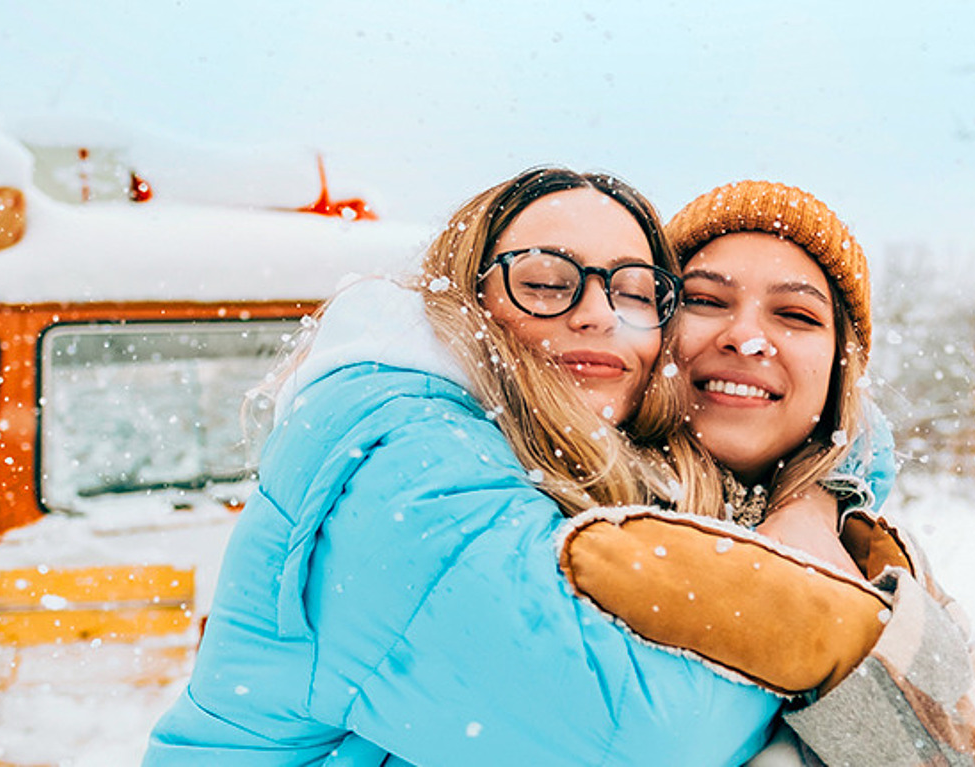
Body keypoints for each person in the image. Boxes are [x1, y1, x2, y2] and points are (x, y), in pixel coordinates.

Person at [143, 167, 793, 765]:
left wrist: (820, 478)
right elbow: (646, 738)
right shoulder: (399, 461)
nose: (597, 314)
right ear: (467, 299)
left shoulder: (579, 465)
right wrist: (802, 562)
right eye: (544, 282)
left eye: (634, 291)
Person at [560, 180, 975, 766]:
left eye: (795, 314)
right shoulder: (563, 501)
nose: (747, 338)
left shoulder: (873, 557)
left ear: (838, 370)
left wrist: (846, 641)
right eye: (705, 301)